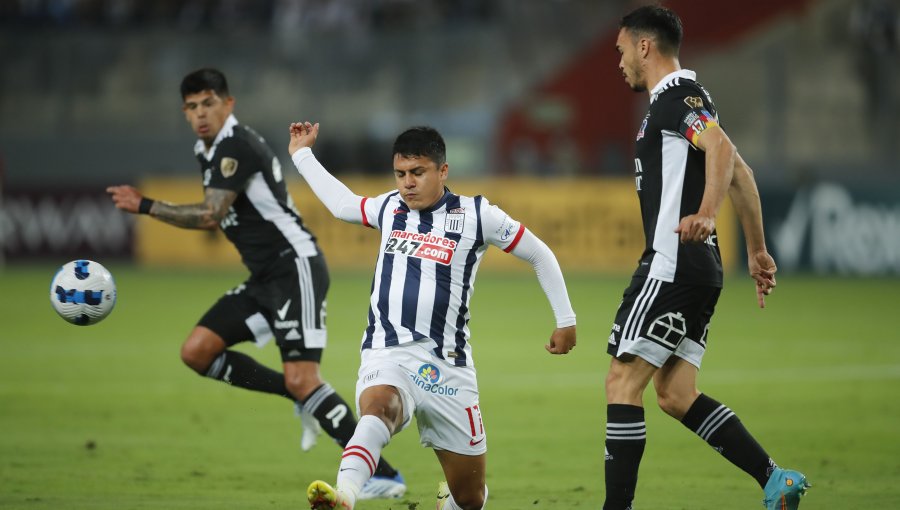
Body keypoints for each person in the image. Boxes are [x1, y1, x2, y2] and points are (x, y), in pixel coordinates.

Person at [106, 68, 405, 499]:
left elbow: (211, 215)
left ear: (228, 104)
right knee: (198, 351)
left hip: (294, 267)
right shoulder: (206, 148)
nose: (200, 114)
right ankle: (304, 396)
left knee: (306, 378)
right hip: (264, 277)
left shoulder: (236, 145)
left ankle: (385, 474)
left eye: (209, 103)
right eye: (192, 107)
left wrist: (147, 205)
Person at [287, 122, 577, 510]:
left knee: (470, 498)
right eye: (401, 174)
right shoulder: (389, 207)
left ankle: (448, 501)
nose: (408, 183)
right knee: (379, 407)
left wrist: (566, 319)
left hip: (449, 365)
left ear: (442, 171)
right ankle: (345, 496)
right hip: (388, 352)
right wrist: (301, 154)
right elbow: (343, 204)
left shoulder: (478, 215)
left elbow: (539, 253)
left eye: (418, 173)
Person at [605, 6, 810, 510]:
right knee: (675, 393)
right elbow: (740, 169)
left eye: (622, 50)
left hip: (673, 261)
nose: (620, 62)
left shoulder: (676, 97)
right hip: (702, 269)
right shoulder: (686, 101)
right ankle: (773, 478)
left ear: (644, 46)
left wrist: (704, 212)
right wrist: (759, 250)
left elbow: (718, 149)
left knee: (622, 380)